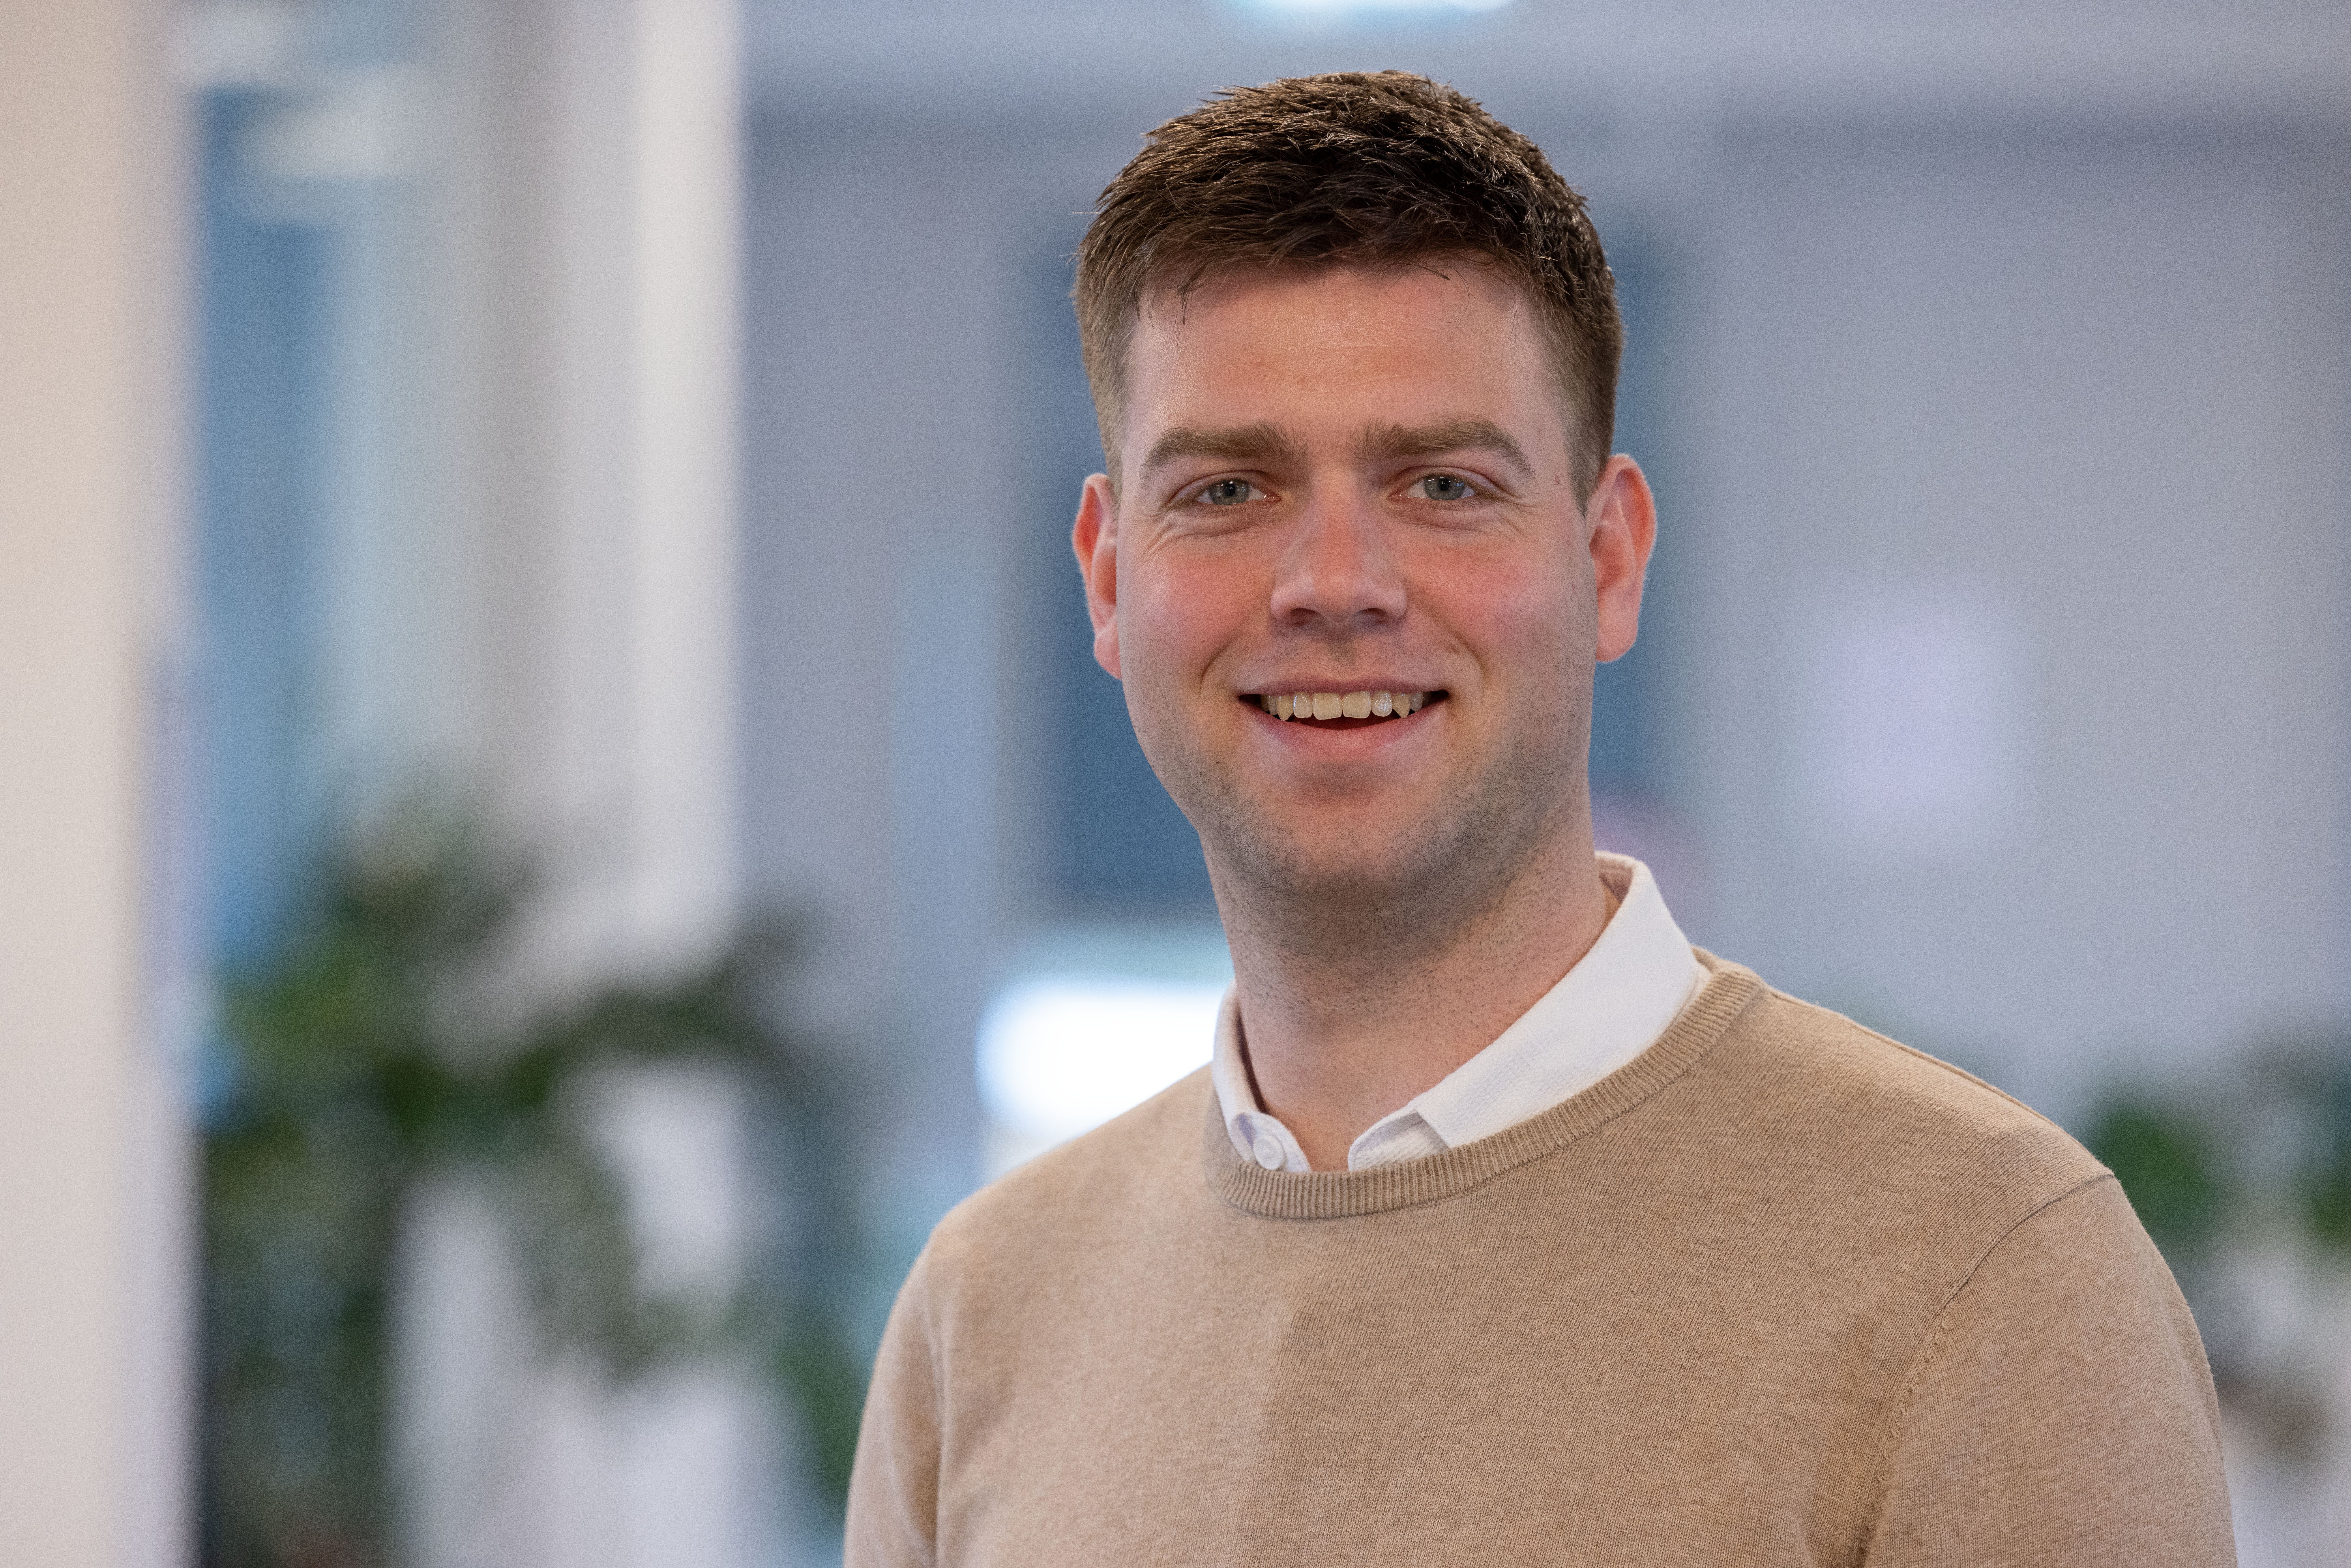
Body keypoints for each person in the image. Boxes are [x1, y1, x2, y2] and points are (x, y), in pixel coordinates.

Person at [844, 71, 2234, 1565]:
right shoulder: (980, 1312)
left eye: (1441, 482)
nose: (1333, 579)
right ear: (1110, 578)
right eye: (1228, 487)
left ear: (1609, 558)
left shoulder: (1983, 1270)